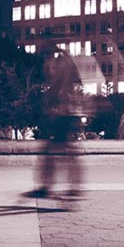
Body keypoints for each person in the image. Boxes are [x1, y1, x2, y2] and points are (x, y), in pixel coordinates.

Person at [30, 47, 83, 197]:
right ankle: (72, 186)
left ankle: (50, 186)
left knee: (54, 150)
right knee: (64, 151)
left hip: (65, 113)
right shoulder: (64, 62)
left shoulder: (63, 64)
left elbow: (58, 87)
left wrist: (47, 99)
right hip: (67, 112)